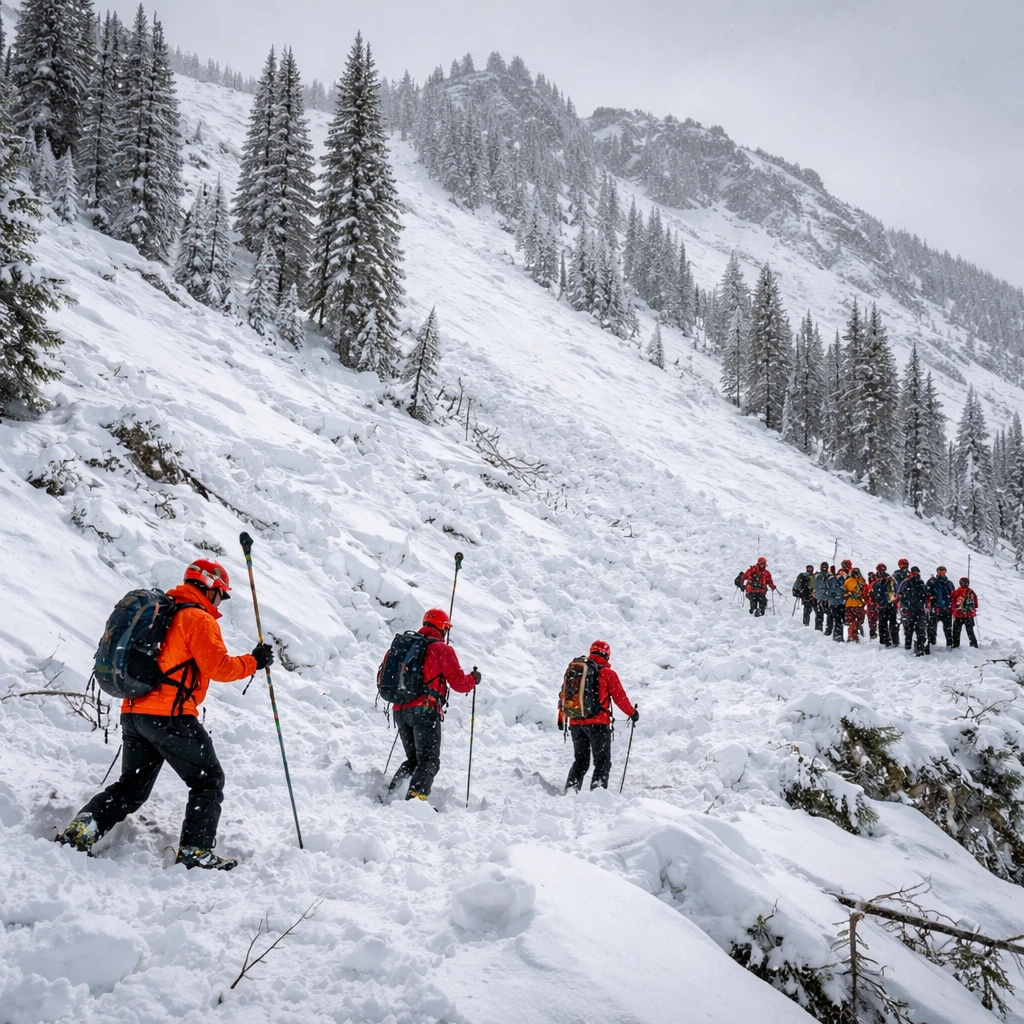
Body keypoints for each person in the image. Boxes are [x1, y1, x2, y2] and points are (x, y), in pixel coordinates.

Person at [57, 560, 272, 870]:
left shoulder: (164, 613)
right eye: (221, 595)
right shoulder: (197, 619)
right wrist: (254, 661)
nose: (220, 602)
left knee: (131, 789)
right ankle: (195, 852)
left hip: (135, 713)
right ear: (210, 588)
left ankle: (82, 829)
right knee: (209, 780)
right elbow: (219, 667)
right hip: (169, 716)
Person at [385, 608, 479, 802]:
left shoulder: (407, 647)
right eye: (446, 629)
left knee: (414, 760)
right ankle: (414, 800)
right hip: (425, 711)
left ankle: (392, 794)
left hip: (400, 710)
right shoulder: (442, 649)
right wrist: (473, 679)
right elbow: (459, 683)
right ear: (442, 628)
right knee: (428, 760)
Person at [559, 640, 637, 792]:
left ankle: (570, 791)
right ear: (607, 656)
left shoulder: (576, 670)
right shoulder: (607, 674)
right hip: (598, 725)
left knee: (581, 762)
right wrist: (632, 713)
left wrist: (562, 717)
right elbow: (620, 697)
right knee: (602, 762)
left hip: (575, 722)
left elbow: (563, 696)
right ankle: (597, 795)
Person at [897, 566, 929, 656]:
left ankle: (919, 648)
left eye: (917, 573)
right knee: (908, 628)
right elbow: (900, 595)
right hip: (908, 609)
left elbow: (925, 595)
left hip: (919, 609)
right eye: (914, 573)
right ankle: (908, 646)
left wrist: (926, 605)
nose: (916, 575)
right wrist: (904, 607)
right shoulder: (905, 582)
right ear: (910, 573)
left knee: (921, 629)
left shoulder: (921, 583)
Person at [926, 566, 955, 649]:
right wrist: (930, 600)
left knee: (948, 629)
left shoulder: (949, 583)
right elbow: (927, 594)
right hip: (935, 608)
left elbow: (953, 596)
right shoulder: (932, 582)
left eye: (944, 571)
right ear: (937, 572)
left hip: (947, 609)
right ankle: (932, 644)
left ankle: (950, 645)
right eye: (940, 571)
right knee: (932, 628)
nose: (942, 573)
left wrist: (952, 607)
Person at [871, 565, 898, 648]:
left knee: (884, 623)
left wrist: (875, 602)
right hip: (889, 604)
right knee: (891, 623)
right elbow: (896, 590)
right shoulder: (890, 579)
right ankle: (893, 640)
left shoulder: (876, 581)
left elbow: (873, 592)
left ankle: (886, 640)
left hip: (884, 604)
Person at [951, 578, 980, 649]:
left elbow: (952, 603)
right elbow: (976, 604)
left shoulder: (956, 592)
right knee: (970, 632)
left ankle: (955, 646)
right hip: (968, 615)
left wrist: (955, 610)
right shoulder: (971, 592)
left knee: (956, 632)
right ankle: (974, 646)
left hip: (959, 615)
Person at [844, 568, 867, 643]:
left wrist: (848, 595)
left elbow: (843, 592)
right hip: (858, 604)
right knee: (858, 621)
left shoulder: (847, 581)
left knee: (852, 621)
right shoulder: (862, 581)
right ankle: (854, 635)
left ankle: (852, 635)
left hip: (850, 604)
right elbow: (866, 592)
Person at [892, 558, 911, 645]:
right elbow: (893, 586)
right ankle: (895, 640)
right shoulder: (896, 574)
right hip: (898, 599)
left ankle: (907, 640)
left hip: (909, 600)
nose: (904, 566)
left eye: (905, 564)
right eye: (902, 564)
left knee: (908, 621)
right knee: (896, 620)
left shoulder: (910, 574)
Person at [827, 565, 847, 642]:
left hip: (833, 602)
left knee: (833, 619)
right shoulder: (841, 580)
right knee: (839, 620)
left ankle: (834, 634)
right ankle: (838, 636)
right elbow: (843, 589)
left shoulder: (830, 579)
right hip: (839, 603)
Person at [812, 562, 830, 631]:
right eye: (823, 566)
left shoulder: (829, 576)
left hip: (826, 599)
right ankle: (819, 630)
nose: (824, 568)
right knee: (819, 615)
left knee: (828, 615)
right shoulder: (817, 576)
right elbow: (813, 586)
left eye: (825, 566)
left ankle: (827, 630)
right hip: (820, 598)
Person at [865, 571, 879, 640]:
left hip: (874, 604)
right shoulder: (870, 586)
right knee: (872, 619)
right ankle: (873, 632)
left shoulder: (872, 586)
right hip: (872, 604)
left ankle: (873, 632)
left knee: (873, 619)